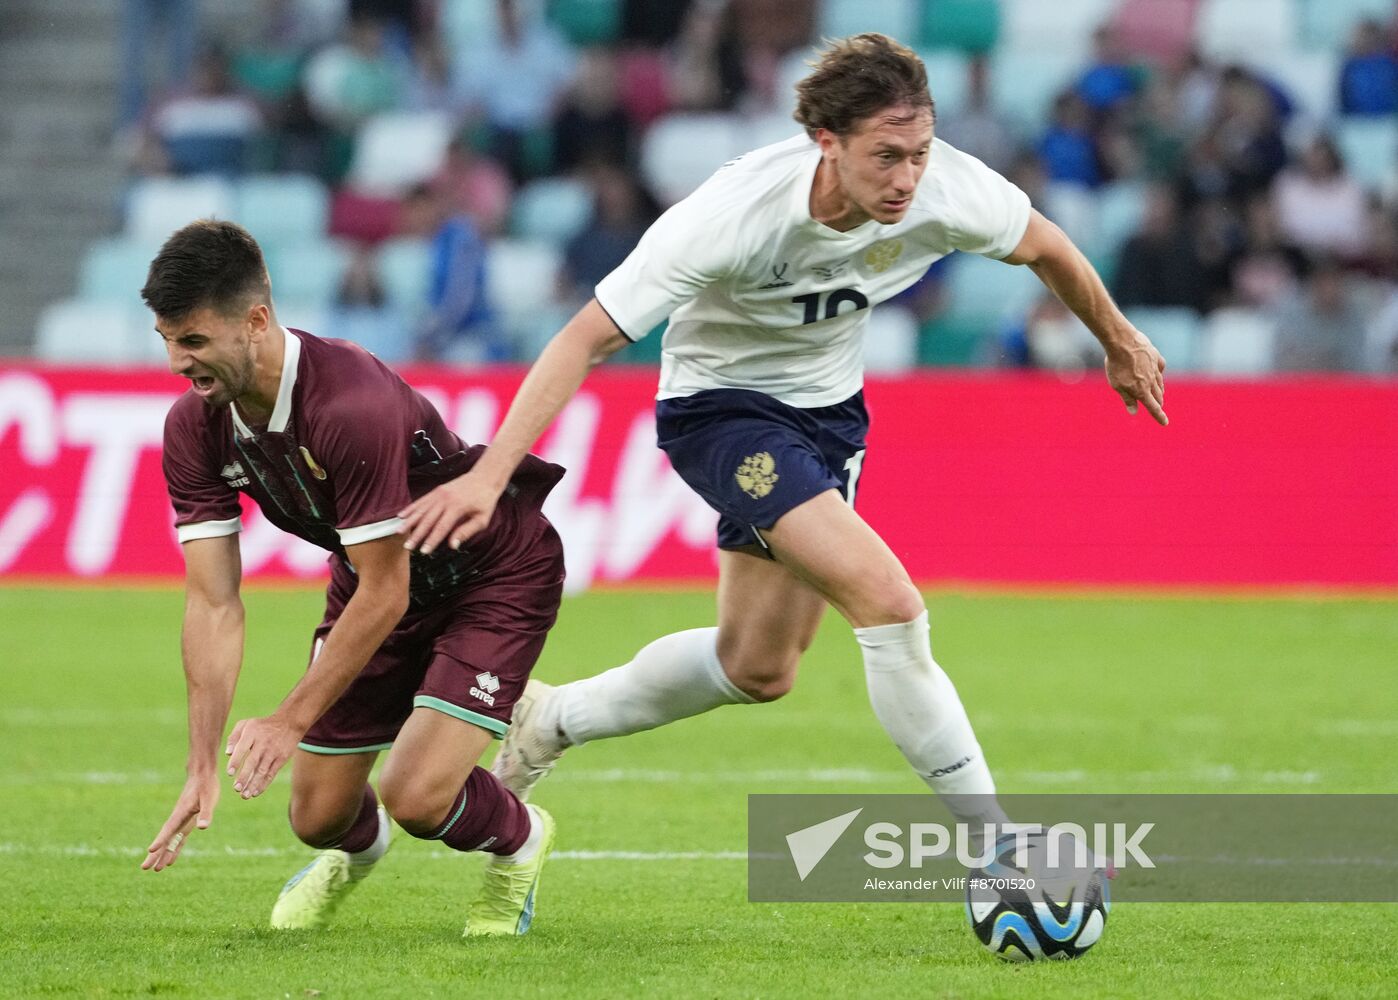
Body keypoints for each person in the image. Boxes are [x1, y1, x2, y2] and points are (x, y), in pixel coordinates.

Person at [400, 34, 1167, 843]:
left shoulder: (948, 189)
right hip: (721, 411)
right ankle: (999, 847)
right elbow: (582, 338)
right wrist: (490, 474)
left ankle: (554, 718)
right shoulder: (732, 218)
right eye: (886, 157)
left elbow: (1046, 246)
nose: (908, 178)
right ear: (826, 143)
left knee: (758, 668)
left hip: (830, 417)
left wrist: (1117, 339)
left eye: (920, 152)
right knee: (890, 603)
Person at [139, 220, 565, 938]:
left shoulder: (347, 402)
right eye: (169, 340)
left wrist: (287, 719)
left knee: (418, 795)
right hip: (377, 580)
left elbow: (386, 589)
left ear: (256, 320)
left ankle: (521, 841)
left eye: (194, 341)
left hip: (489, 572)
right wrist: (201, 763)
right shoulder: (195, 427)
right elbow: (214, 602)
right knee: (317, 817)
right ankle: (355, 856)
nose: (180, 361)